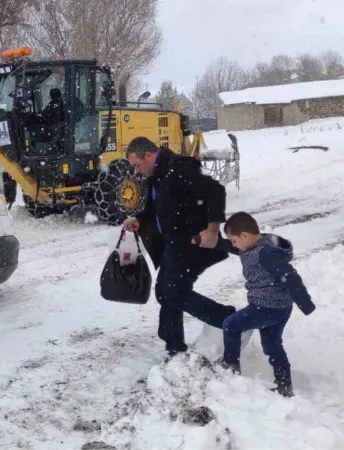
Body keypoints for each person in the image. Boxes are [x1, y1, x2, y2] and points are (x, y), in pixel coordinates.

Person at [123, 137, 235, 358]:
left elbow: (215, 191)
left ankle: (231, 320)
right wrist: (139, 219)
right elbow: (161, 206)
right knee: (164, 292)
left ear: (148, 155)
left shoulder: (180, 167)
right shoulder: (156, 174)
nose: (136, 170)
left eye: (137, 164)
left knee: (174, 292)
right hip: (173, 243)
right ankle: (174, 346)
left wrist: (212, 231)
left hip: (193, 242)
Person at [213, 212, 315, 398]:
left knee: (231, 325)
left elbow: (290, 277)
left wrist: (305, 302)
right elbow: (234, 248)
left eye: (235, 240)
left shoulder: (266, 253)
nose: (234, 246)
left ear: (245, 235)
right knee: (272, 345)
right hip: (279, 308)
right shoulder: (257, 245)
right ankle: (284, 385)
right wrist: (216, 242)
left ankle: (230, 367)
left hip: (267, 307)